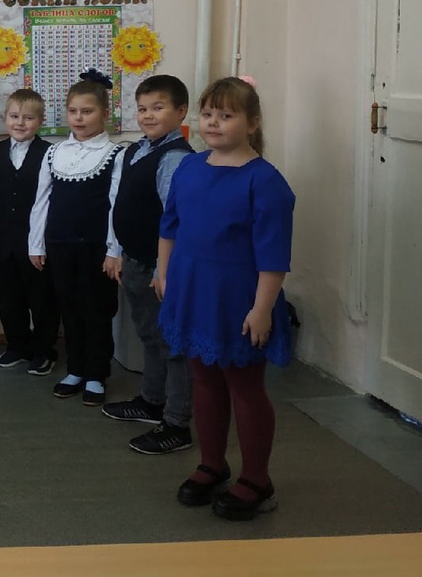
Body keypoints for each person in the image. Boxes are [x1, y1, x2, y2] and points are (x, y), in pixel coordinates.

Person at [158, 76, 295, 521]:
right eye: (208, 114)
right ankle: (212, 464)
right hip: (192, 292)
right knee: (203, 379)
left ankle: (257, 478)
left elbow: (274, 256)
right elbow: (170, 226)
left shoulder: (265, 182)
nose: (213, 122)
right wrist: (164, 274)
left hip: (239, 300)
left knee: (244, 386)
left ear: (252, 123)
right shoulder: (189, 168)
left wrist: (262, 309)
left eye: (226, 115)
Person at [102, 76, 195, 456]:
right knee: (149, 336)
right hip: (135, 260)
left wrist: (163, 270)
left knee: (172, 344)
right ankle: (151, 401)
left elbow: (176, 220)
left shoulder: (175, 158)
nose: (148, 115)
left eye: (158, 108)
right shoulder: (137, 150)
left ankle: (176, 422)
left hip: (161, 268)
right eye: (142, 109)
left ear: (181, 111)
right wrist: (118, 251)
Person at [28, 69, 125, 406]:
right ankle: (76, 368)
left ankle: (97, 373)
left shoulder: (114, 154)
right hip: (60, 244)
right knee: (68, 307)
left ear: (104, 113)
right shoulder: (54, 153)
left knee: (96, 309)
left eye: (87, 111)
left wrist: (114, 249)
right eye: (73, 111)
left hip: (96, 247)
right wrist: (36, 243)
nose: (79, 118)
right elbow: (42, 200)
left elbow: (115, 205)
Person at [0, 88, 58, 377]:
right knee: (9, 297)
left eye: (28, 118)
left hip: (36, 241)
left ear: (40, 121)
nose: (20, 123)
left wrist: (44, 240)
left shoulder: (50, 152)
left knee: (41, 298)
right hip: (4, 240)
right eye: (14, 116)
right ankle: (16, 345)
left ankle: (43, 350)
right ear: (5, 118)